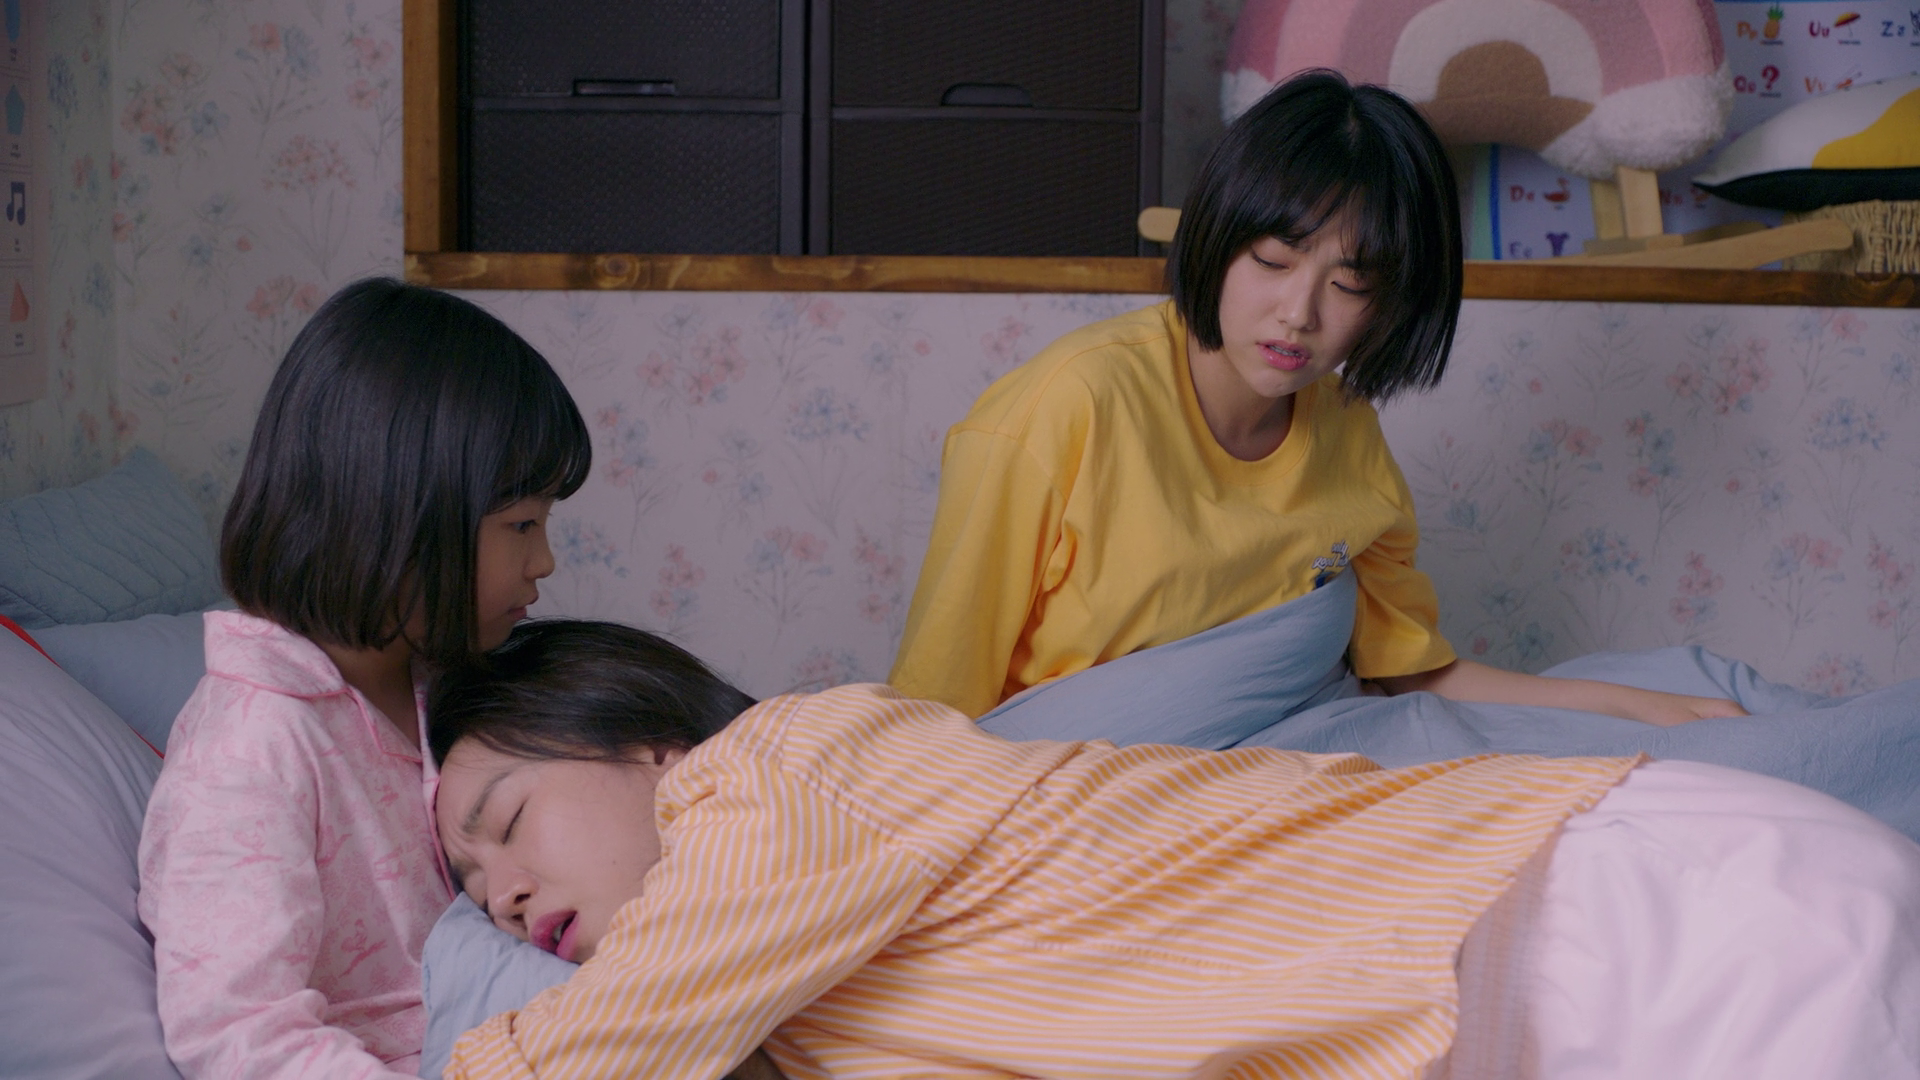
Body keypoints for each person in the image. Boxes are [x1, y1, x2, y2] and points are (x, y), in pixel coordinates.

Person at [430, 620, 1920, 1080]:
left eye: (504, 822)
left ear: (644, 741)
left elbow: (605, 1052)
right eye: (474, 890)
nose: (501, 895)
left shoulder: (785, 768)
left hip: (1606, 924)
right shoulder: (784, 1009)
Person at [888, 70, 1743, 728]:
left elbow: (1413, 673)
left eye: (1351, 282)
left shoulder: (1343, 425)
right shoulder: (1059, 411)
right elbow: (931, 718)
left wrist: (1637, 709)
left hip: (1300, 759)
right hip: (1080, 800)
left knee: (1707, 734)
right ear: (1216, 235)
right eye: (1272, 260)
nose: (1299, 313)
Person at [136, 278, 591, 1079]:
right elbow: (239, 1032)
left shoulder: (445, 680)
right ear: (394, 515)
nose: (544, 561)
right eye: (522, 523)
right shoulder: (253, 749)